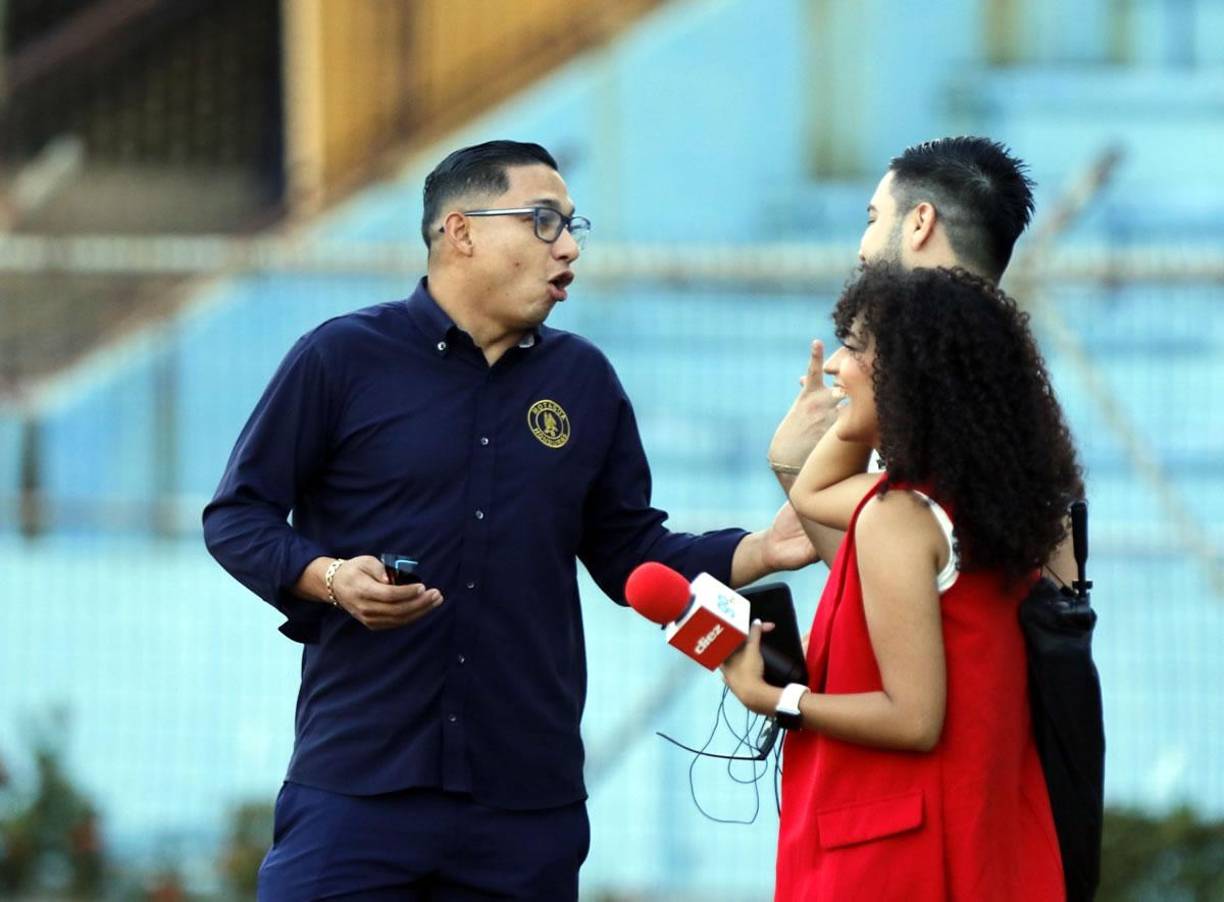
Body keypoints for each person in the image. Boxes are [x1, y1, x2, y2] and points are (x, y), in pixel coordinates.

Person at [202, 139, 816, 901]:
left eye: (572, 225)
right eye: (544, 222)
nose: (571, 248)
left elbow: (631, 554)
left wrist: (765, 547)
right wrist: (327, 578)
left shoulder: (584, 380)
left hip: (526, 804)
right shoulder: (341, 358)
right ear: (459, 232)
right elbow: (237, 514)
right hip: (358, 783)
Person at [723, 263, 1082, 900]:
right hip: (994, 841)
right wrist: (851, 419)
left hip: (901, 861)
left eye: (855, 349)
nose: (834, 365)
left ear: (913, 373)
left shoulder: (899, 517)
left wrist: (775, 700)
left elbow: (913, 718)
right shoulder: (998, 505)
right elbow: (816, 489)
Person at [764, 137, 1074, 575]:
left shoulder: (950, 396)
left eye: (873, 219)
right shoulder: (1003, 386)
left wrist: (801, 468)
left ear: (920, 222)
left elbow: (895, 596)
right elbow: (879, 584)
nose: (862, 247)